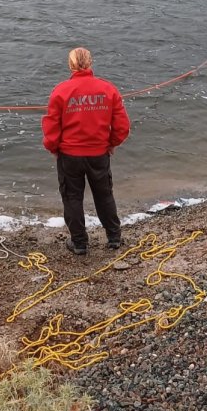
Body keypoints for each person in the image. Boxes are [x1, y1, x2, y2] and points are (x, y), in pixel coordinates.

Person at [42, 47, 131, 256]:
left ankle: (80, 243)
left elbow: (51, 126)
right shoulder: (108, 89)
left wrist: (53, 148)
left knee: (72, 197)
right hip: (98, 153)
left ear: (71, 65)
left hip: (69, 155)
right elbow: (122, 126)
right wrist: (112, 144)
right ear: (90, 63)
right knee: (104, 195)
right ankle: (114, 237)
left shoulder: (61, 91)